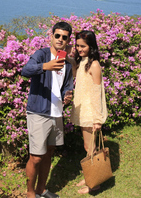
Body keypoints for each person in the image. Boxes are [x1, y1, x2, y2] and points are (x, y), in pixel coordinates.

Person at [21, 21, 74, 198]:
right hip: (38, 112)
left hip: (56, 113)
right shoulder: (41, 55)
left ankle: (41, 190)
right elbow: (25, 70)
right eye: (57, 35)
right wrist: (45, 67)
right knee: (36, 156)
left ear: (68, 40)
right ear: (51, 36)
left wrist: (68, 96)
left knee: (49, 152)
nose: (60, 39)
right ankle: (30, 194)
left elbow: (67, 86)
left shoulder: (66, 63)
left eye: (64, 37)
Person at [70, 30, 108, 195]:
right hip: (83, 110)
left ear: (91, 46)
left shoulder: (94, 65)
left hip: (91, 113)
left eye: (83, 46)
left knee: (90, 147)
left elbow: (97, 92)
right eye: (77, 45)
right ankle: (89, 177)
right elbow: (75, 74)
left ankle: (94, 184)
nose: (79, 49)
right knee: (88, 146)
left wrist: (97, 119)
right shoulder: (83, 62)